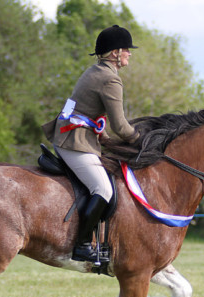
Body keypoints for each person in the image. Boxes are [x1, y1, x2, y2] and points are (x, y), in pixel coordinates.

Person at [43, 25, 140, 263]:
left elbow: (86, 112)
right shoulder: (110, 80)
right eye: (126, 49)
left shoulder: (95, 71)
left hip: (72, 135)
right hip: (74, 142)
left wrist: (102, 136)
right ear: (115, 52)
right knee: (103, 189)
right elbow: (121, 126)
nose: (130, 54)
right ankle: (82, 245)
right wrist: (141, 140)